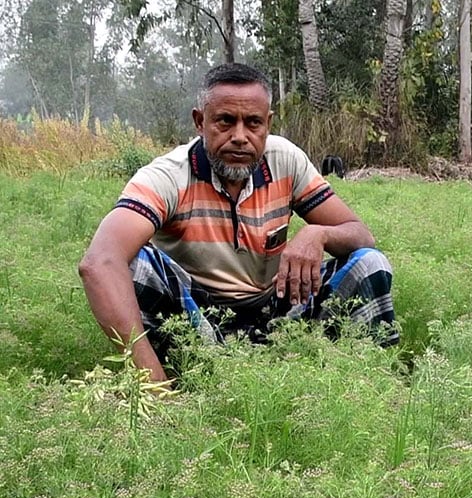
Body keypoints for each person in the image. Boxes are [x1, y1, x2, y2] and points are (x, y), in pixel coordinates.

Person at [79, 63, 398, 383]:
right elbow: (99, 263)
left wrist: (317, 234)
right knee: (135, 263)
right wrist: (153, 386)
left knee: (368, 264)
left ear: (268, 124)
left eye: (253, 123)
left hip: (282, 316)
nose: (240, 137)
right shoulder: (168, 176)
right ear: (199, 122)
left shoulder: (285, 160)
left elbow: (361, 234)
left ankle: (372, 383)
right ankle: (169, 379)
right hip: (197, 323)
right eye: (225, 122)